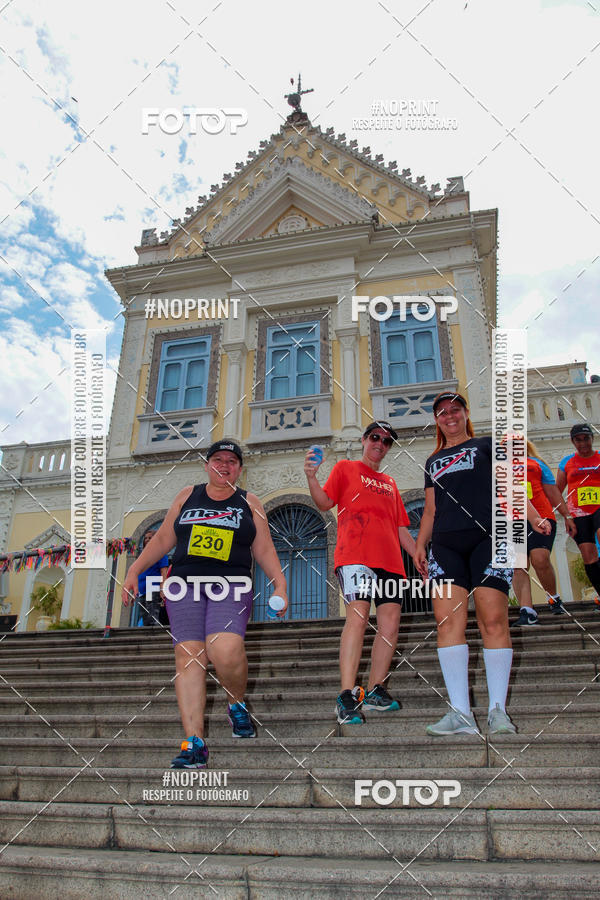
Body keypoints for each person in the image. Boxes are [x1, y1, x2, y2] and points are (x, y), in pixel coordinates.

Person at [122, 440, 288, 768]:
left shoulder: (249, 502)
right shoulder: (187, 496)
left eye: (231, 461)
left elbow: (264, 548)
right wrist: (134, 569)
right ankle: (194, 743)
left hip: (231, 584)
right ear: (207, 464)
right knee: (188, 657)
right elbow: (163, 539)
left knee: (223, 649)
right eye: (217, 460)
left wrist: (279, 582)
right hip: (185, 584)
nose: (223, 466)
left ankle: (236, 704)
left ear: (240, 468)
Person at [414, 392, 550, 737]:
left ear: (465, 414)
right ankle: (460, 712)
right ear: (437, 420)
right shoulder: (433, 461)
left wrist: (534, 518)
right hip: (445, 545)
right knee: (447, 624)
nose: (449, 416)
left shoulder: (488, 445)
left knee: (493, 620)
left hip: (490, 541)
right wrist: (419, 545)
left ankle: (497, 711)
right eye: (442, 412)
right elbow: (430, 510)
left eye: (455, 410)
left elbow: (510, 488)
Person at [304, 421, 427, 725]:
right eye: (375, 437)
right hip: (356, 557)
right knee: (357, 617)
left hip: (391, 563)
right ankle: (346, 694)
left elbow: (401, 528)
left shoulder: (390, 482)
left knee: (390, 626)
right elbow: (324, 503)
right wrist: (311, 477)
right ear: (364, 440)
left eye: (386, 441)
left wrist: (417, 556)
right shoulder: (346, 468)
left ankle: (375, 690)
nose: (380, 444)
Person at [512, 439, 577, 625]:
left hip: (542, 517)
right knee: (518, 565)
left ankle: (553, 597)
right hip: (512, 521)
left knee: (540, 559)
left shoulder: (537, 464)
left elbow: (553, 492)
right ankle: (527, 610)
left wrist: (567, 516)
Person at [556, 423, 600, 610]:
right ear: (573, 442)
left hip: (599, 508)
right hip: (579, 513)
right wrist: (566, 516)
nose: (583, 443)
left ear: (592, 439)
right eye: (578, 440)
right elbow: (556, 493)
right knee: (589, 557)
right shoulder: (567, 463)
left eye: (586, 439)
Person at [136, 530, 170, 627]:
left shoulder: (160, 553)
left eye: (150, 538)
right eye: (145, 538)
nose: (147, 539)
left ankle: (154, 636)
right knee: (145, 617)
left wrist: (162, 589)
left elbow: (164, 572)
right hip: (142, 589)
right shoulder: (142, 556)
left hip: (152, 587)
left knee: (152, 617)